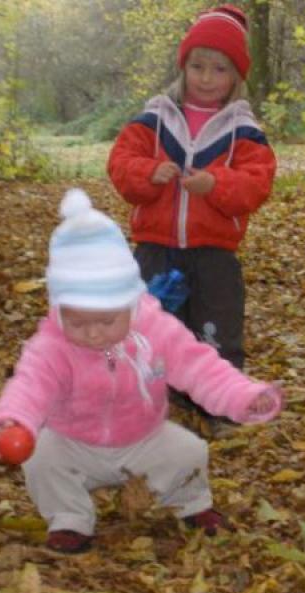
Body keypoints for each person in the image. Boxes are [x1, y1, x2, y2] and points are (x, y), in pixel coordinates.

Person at [0, 189, 282, 554]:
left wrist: (242, 396)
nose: (93, 333)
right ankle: (69, 517)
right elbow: (30, 387)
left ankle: (189, 503)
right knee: (42, 457)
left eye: (106, 320)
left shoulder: (154, 329)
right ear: (58, 309)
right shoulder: (53, 344)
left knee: (188, 450)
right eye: (78, 322)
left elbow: (200, 367)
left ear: (130, 303)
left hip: (142, 437)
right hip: (75, 441)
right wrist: (14, 421)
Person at [107, 4, 276, 376]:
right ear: (183, 67)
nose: (206, 78)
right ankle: (148, 396)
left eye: (220, 69)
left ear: (236, 76)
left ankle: (217, 396)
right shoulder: (153, 119)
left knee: (216, 327)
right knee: (150, 325)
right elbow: (120, 163)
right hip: (155, 247)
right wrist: (148, 173)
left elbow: (257, 183)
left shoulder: (243, 131)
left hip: (214, 253)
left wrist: (216, 183)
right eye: (197, 66)